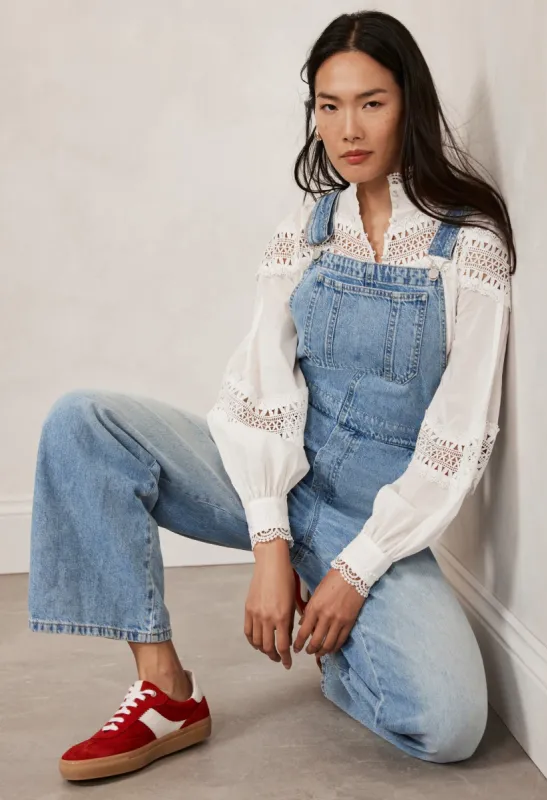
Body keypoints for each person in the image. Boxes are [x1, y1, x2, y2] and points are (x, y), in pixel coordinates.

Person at [27, 9, 516, 782]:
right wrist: (270, 545)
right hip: (278, 478)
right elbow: (264, 390)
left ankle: (337, 648)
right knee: (83, 423)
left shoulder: (469, 250)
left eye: (372, 102)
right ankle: (165, 689)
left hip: (373, 515)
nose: (348, 128)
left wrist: (354, 573)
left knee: (451, 723)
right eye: (329, 105)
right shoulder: (305, 232)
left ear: (409, 105)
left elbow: (456, 441)